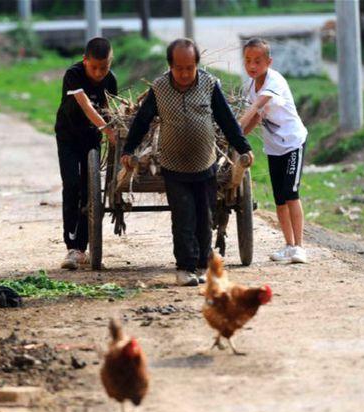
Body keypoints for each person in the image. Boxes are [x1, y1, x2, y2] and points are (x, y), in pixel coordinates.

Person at [122, 38, 253, 286]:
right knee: (183, 218)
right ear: (170, 66)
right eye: (179, 68)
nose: (184, 74)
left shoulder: (208, 84)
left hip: (205, 164)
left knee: (205, 216)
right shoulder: (160, 88)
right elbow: (142, 121)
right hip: (174, 165)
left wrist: (243, 147)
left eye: (190, 68)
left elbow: (226, 120)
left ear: (197, 65)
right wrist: (129, 148)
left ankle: (203, 265)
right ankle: (185, 268)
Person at [239, 38, 308, 264]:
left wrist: (234, 129)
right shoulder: (251, 87)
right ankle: (288, 245)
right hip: (274, 148)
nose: (252, 66)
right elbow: (257, 118)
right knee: (279, 200)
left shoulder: (274, 81)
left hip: (292, 144)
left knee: (291, 193)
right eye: (248, 61)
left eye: (258, 61)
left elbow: (257, 107)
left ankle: (299, 247)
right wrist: (238, 139)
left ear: (269, 62)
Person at [54, 37, 118, 270]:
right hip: (68, 137)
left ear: (110, 63)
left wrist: (117, 128)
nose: (99, 73)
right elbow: (85, 105)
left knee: (90, 190)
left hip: (91, 139)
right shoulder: (73, 75)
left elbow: (110, 111)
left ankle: (83, 246)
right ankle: (72, 247)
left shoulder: (111, 81)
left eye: (105, 67)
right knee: (71, 185)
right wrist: (106, 128)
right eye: (94, 67)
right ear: (85, 61)